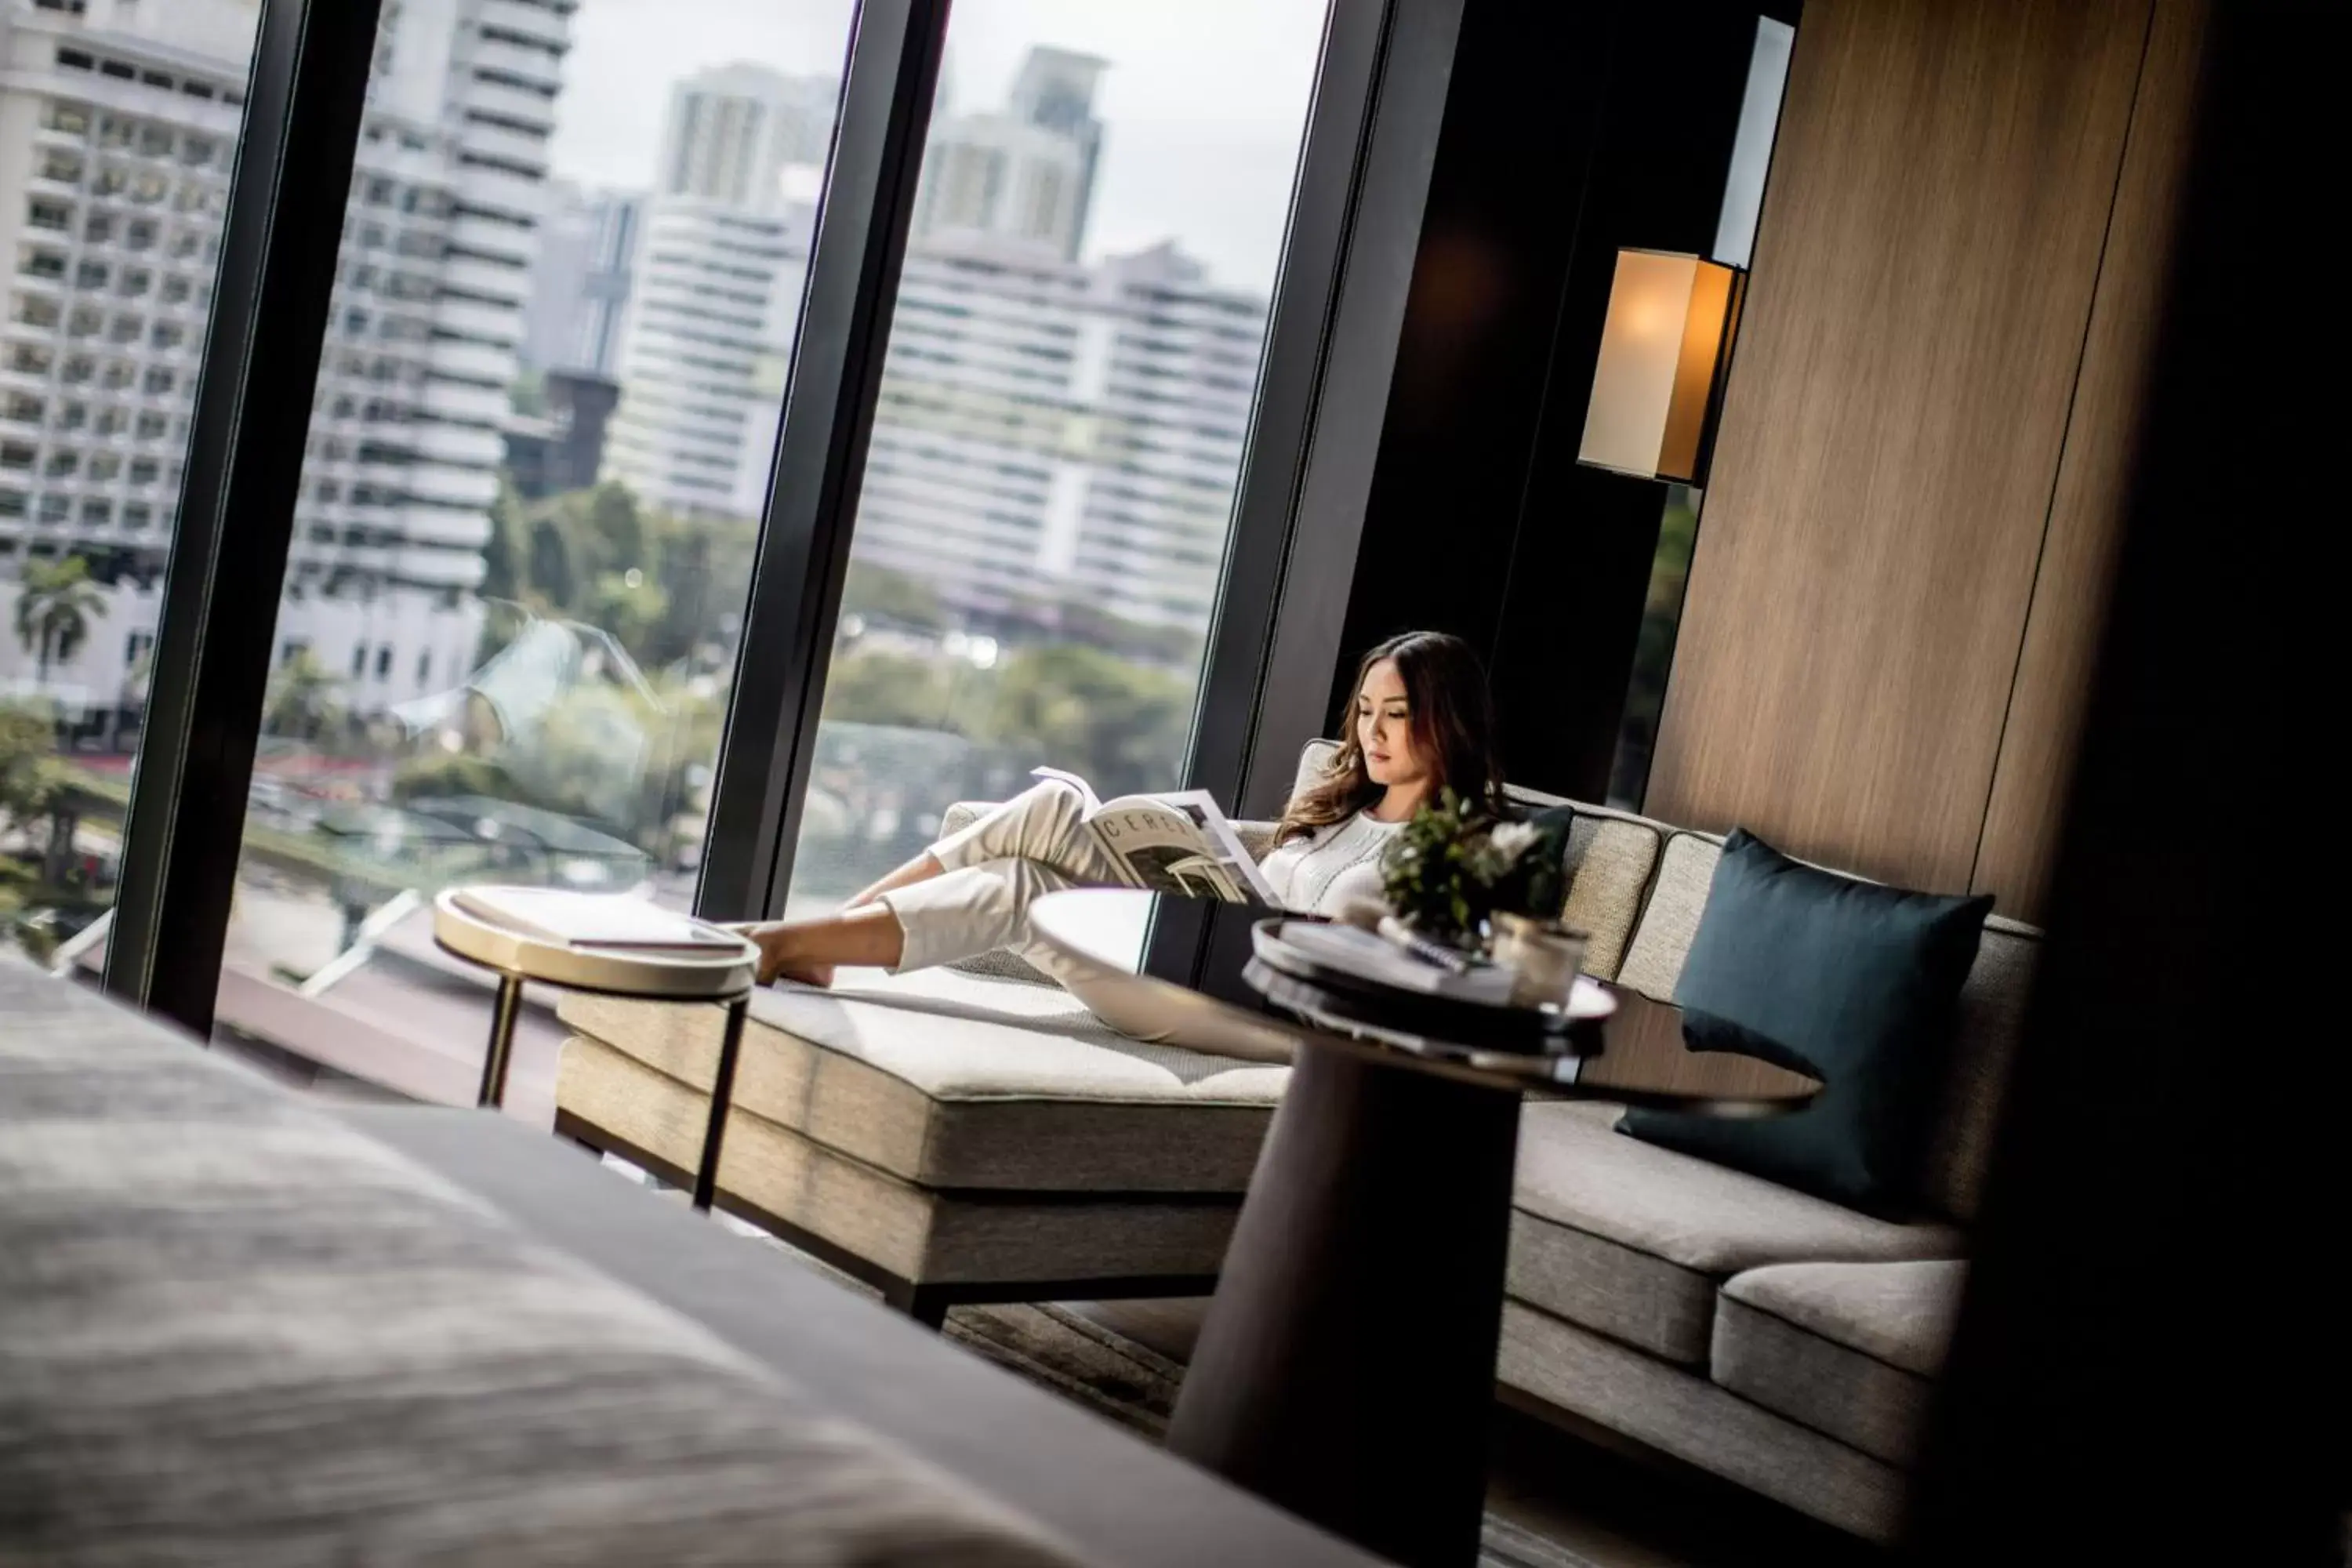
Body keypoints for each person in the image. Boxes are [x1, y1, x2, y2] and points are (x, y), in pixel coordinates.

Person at [737, 630, 1506, 1040]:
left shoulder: (1453, 852)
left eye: (1396, 713)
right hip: (1197, 958)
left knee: (1022, 894)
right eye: (1365, 708)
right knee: (1051, 804)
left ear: (1447, 718)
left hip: (1264, 1020)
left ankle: (798, 942)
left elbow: (1422, 980)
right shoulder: (1335, 807)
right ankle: (821, 938)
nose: (1372, 729)